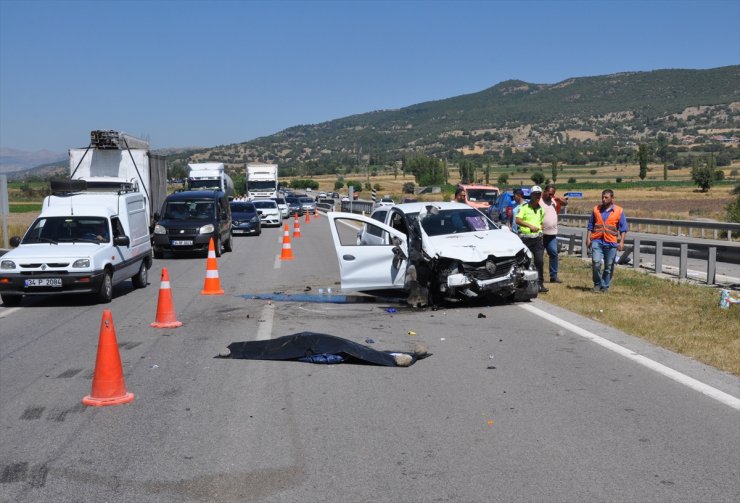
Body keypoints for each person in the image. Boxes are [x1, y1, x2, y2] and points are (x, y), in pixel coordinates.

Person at [586, 189, 628, 293]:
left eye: (606, 197)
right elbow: (590, 225)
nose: (603, 199)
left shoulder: (619, 211)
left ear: (612, 198)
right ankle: (597, 284)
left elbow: (623, 228)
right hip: (597, 240)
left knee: (609, 266)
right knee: (596, 263)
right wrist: (588, 238)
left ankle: (604, 286)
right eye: (602, 197)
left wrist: (621, 242)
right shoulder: (596, 209)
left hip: (611, 242)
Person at [516, 185, 547, 293]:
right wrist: (529, 226)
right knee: (524, 261)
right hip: (526, 239)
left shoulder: (541, 210)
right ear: (531, 195)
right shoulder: (524, 207)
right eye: (536, 194)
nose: (538, 196)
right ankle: (523, 283)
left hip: (537, 239)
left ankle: (540, 284)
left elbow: (541, 222)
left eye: (539, 195)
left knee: (539, 261)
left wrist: (541, 228)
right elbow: (518, 220)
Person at [541, 184, 568, 283]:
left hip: (552, 234)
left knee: (554, 253)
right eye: (549, 194)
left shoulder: (553, 201)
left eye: (553, 194)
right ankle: (539, 276)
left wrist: (561, 200)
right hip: (541, 234)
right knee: (539, 257)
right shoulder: (539, 201)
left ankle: (554, 276)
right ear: (545, 192)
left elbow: (565, 203)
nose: (551, 196)